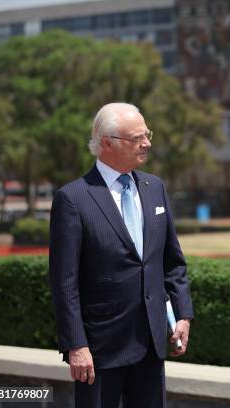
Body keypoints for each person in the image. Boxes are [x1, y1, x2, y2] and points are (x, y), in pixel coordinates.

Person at [49, 102, 193, 408]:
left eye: (147, 134)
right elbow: (65, 282)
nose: (147, 143)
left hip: (152, 343)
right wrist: (76, 345)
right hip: (100, 350)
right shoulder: (73, 199)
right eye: (137, 138)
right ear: (106, 144)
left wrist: (182, 314)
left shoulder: (155, 188)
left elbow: (172, 261)